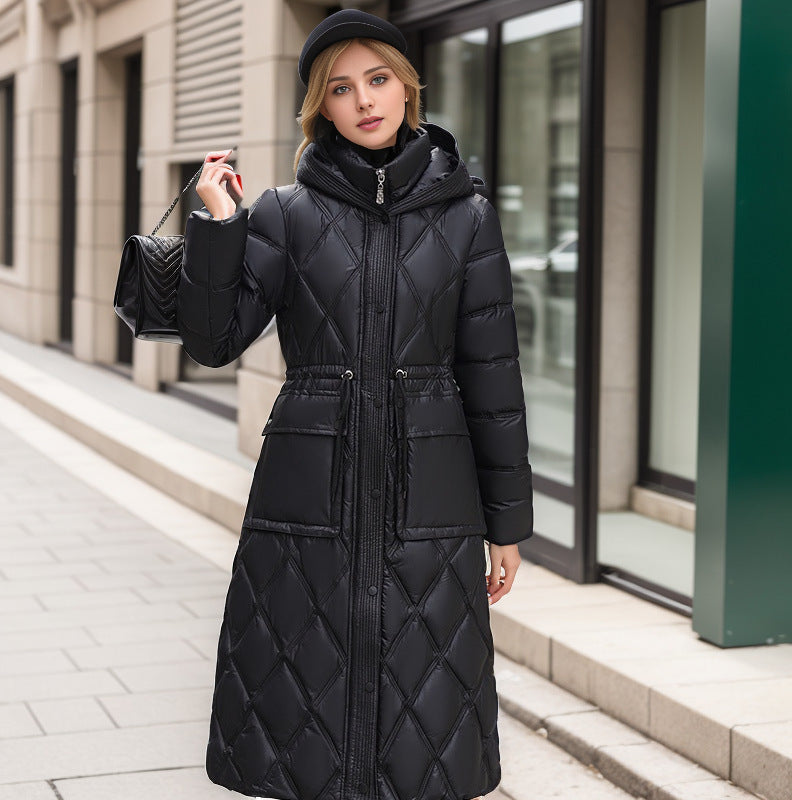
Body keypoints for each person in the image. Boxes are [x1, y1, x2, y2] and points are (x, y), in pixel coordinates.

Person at [176, 9, 534, 800]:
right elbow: (214, 339)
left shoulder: (468, 217)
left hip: (429, 508)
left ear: (408, 88)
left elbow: (493, 379)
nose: (365, 101)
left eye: (378, 80)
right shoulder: (284, 213)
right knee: (304, 723)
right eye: (342, 88)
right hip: (309, 509)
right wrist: (221, 229)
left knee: (423, 736)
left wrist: (507, 524)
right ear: (321, 106)